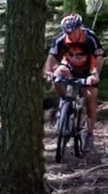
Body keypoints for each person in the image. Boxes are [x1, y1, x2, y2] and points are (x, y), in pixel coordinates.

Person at [43, 13, 104, 148]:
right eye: (67, 32)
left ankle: (89, 132)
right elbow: (51, 57)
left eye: (73, 31)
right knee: (57, 76)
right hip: (69, 68)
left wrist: (95, 75)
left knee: (91, 97)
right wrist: (48, 71)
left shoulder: (89, 37)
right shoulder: (61, 38)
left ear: (79, 28)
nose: (71, 35)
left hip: (88, 70)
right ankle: (65, 104)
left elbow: (99, 58)